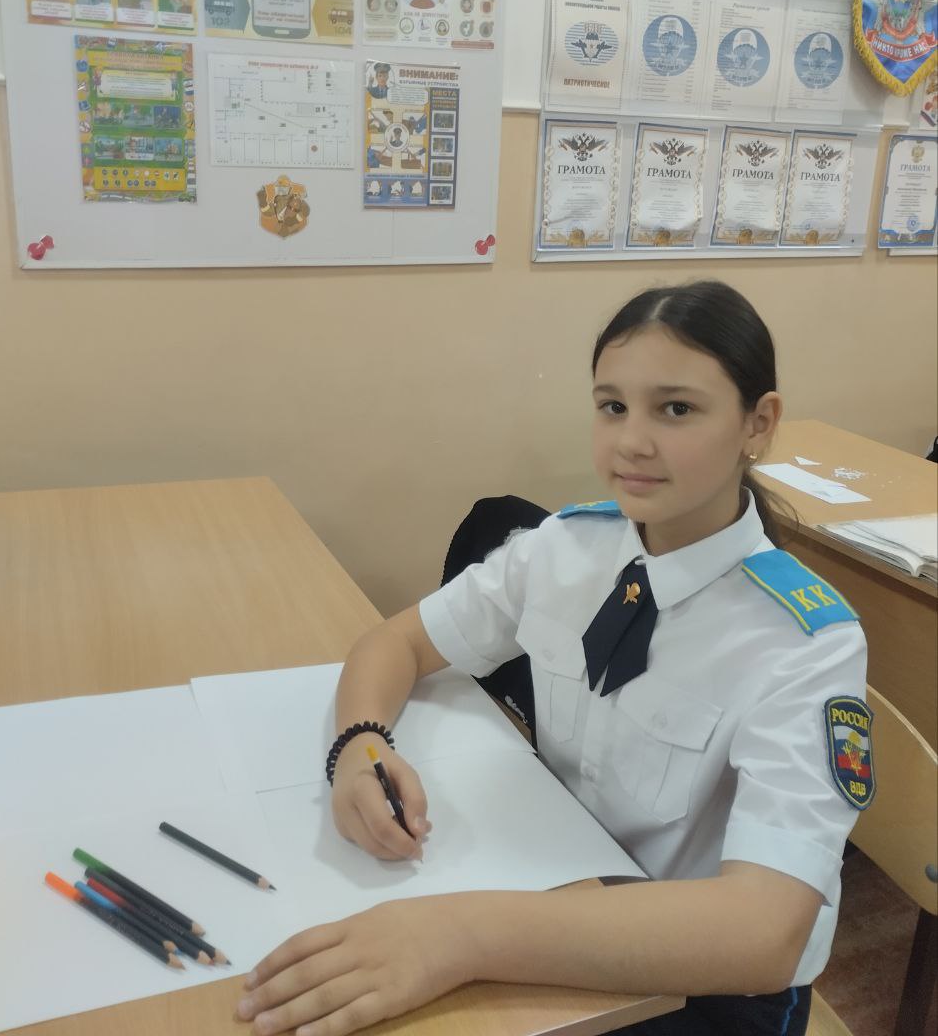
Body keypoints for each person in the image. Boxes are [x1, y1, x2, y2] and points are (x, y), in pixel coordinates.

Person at [236, 280, 869, 1036]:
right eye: (613, 406)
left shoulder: (805, 644)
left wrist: (459, 934)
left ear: (757, 423)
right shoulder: (568, 548)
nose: (633, 441)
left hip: (701, 981)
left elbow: (764, 935)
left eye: (676, 409)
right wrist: (358, 746)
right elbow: (395, 642)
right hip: (550, 886)